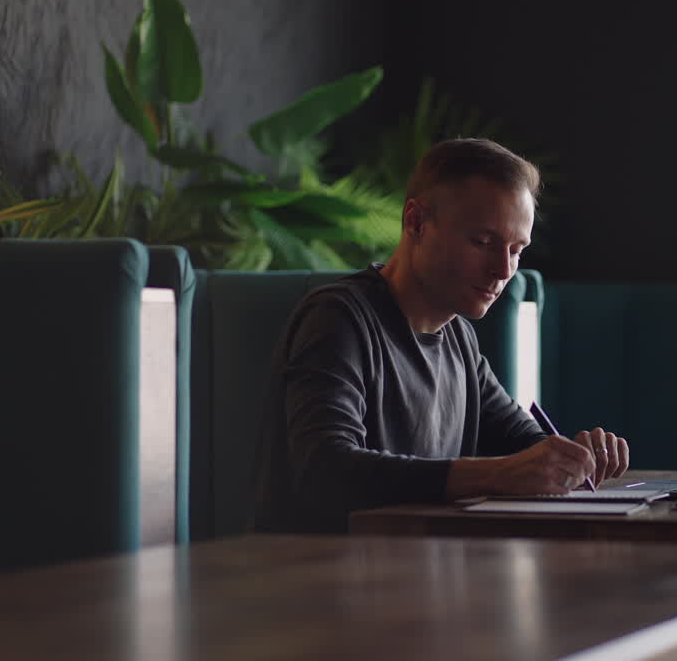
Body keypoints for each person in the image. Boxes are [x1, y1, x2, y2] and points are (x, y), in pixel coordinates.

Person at [253, 138, 630, 533]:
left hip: (412, 576)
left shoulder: (459, 340)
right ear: (415, 222)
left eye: (517, 249)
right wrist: (498, 474)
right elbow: (325, 472)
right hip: (315, 579)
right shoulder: (338, 318)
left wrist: (571, 458)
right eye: (483, 242)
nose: (503, 269)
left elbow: (523, 445)